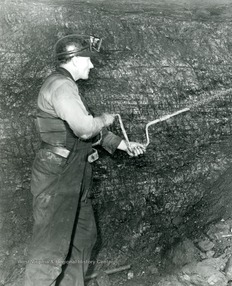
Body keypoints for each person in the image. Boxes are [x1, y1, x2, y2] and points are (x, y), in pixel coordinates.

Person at [24, 34, 145, 286]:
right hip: (58, 175)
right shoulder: (61, 86)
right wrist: (104, 118)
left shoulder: (67, 87)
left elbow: (90, 133)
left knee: (84, 237)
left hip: (73, 172)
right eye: (88, 60)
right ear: (75, 59)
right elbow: (85, 129)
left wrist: (124, 144)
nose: (92, 65)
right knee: (50, 249)